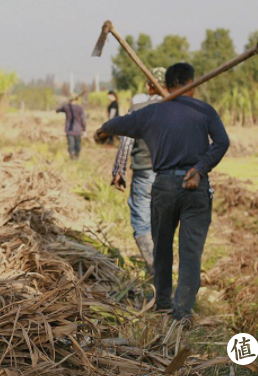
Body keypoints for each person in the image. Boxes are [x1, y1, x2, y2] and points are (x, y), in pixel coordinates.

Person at [95, 63, 230, 322]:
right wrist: (200, 168)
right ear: (192, 82)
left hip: (164, 186)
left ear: (166, 85)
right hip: (195, 186)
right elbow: (222, 142)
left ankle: (164, 302)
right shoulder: (204, 110)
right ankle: (182, 311)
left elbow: (117, 124)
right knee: (191, 252)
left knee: (163, 247)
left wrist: (103, 129)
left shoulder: (151, 113)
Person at [111, 67, 166, 275]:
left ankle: (153, 264)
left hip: (145, 171)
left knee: (141, 217)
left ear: (147, 86)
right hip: (171, 174)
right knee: (163, 218)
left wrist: (119, 171)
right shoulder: (179, 108)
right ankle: (163, 264)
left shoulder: (138, 108)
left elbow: (126, 140)